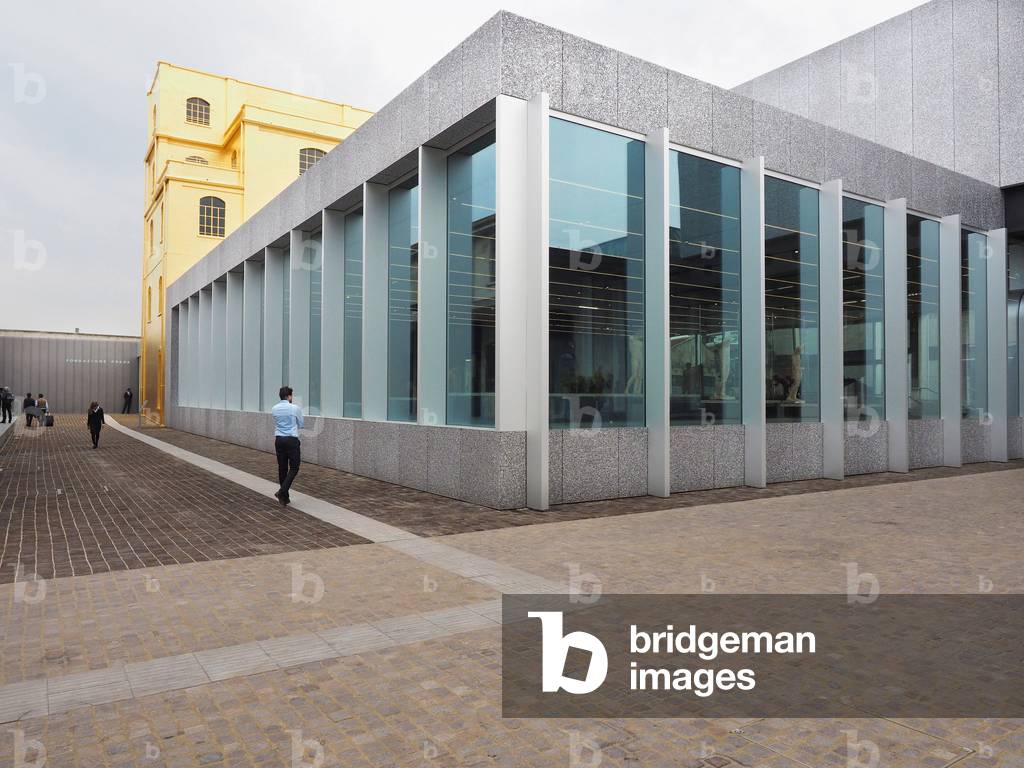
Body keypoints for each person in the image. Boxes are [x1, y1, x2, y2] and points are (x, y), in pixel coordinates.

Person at [271, 385, 303, 506]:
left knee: (282, 468)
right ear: (289, 396)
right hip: (291, 439)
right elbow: (301, 424)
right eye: (291, 395)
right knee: (294, 467)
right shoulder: (295, 408)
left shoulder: (274, 408)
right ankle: (282, 491)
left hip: (279, 439)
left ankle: (285, 497)